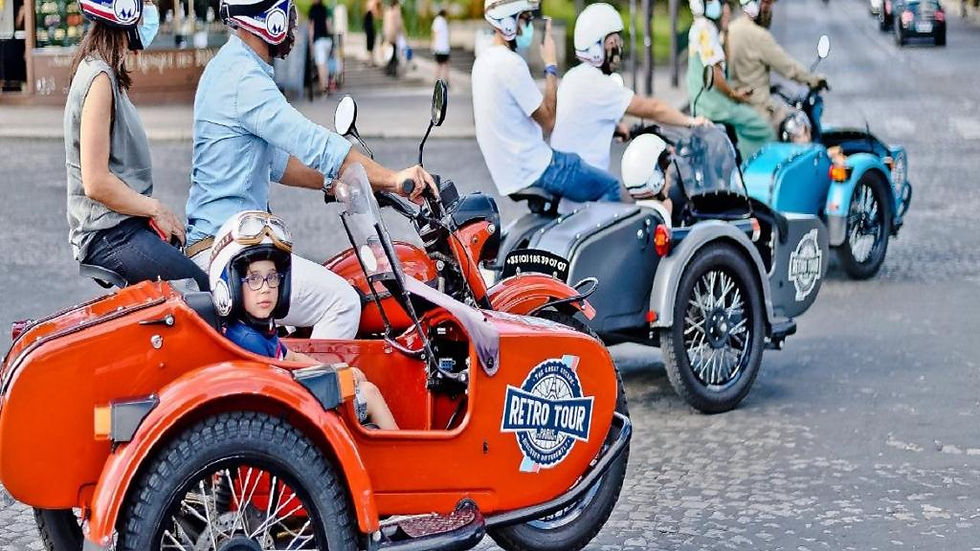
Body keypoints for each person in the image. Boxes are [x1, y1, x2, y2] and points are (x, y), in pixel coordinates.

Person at [186, 0, 436, 340]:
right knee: (342, 302)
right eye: (288, 11)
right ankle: (320, 377)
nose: (293, 22)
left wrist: (335, 183)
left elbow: (278, 163)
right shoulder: (244, 78)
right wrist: (393, 179)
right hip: (231, 252)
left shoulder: (230, 66)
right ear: (268, 17)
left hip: (222, 243)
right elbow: (316, 144)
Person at [64, 0, 209, 291]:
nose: (151, 10)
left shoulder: (106, 73)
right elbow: (96, 182)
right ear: (124, 10)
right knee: (204, 292)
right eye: (146, 4)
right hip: (110, 234)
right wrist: (156, 210)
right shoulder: (99, 78)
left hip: (123, 227)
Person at [210, 211, 398, 430]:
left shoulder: (254, 330)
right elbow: (290, 379)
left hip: (281, 406)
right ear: (229, 285)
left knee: (357, 382)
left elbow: (290, 357)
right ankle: (404, 452)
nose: (265, 288)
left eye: (272, 277)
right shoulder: (248, 340)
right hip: (285, 414)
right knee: (369, 393)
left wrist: (335, 369)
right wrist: (337, 377)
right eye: (253, 279)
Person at [473, 0, 622, 203]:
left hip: (509, 174)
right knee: (611, 187)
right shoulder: (510, 64)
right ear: (508, 22)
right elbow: (549, 121)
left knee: (574, 163)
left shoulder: (482, 62)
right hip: (536, 168)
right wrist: (551, 65)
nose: (529, 28)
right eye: (525, 19)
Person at [551, 2, 710, 174]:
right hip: (585, 178)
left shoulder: (573, 77)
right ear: (596, 48)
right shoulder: (599, 84)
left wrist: (616, 128)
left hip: (564, 170)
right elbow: (652, 108)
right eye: (612, 42)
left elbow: (582, 119)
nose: (618, 47)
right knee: (623, 187)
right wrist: (690, 122)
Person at [686, 0, 774, 158]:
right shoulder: (706, 30)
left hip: (705, 102)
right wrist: (734, 94)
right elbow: (716, 74)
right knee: (760, 126)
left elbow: (723, 61)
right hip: (714, 105)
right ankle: (754, 165)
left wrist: (725, 31)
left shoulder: (704, 28)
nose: (724, 8)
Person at [727, 0, 827, 134]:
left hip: (735, 107)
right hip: (758, 110)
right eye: (767, 4)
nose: (769, 10)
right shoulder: (759, 35)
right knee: (801, 130)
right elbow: (787, 67)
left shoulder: (729, 30)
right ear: (754, 5)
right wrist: (813, 79)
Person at [307, 0, 332, 95]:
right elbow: (328, 25)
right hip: (327, 40)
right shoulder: (325, 8)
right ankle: (326, 84)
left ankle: (323, 87)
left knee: (320, 64)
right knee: (325, 64)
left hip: (319, 41)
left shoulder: (312, 9)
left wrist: (311, 42)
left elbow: (311, 28)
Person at [382, 0, 403, 76]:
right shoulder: (396, 12)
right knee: (393, 53)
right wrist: (401, 33)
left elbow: (384, 24)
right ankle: (393, 70)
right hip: (393, 35)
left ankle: (388, 68)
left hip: (387, 34)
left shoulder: (387, 11)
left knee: (388, 52)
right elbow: (399, 24)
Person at [431, 7, 450, 85]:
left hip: (440, 47)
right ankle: (445, 80)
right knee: (444, 64)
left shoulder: (438, 20)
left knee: (439, 64)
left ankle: (437, 80)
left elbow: (435, 33)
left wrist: (433, 44)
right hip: (443, 47)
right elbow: (437, 33)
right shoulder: (442, 21)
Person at [364, 0, 378, 65]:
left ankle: (371, 60)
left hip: (370, 30)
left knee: (370, 46)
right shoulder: (369, 12)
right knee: (370, 45)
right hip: (370, 31)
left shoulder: (369, 13)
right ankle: (370, 60)